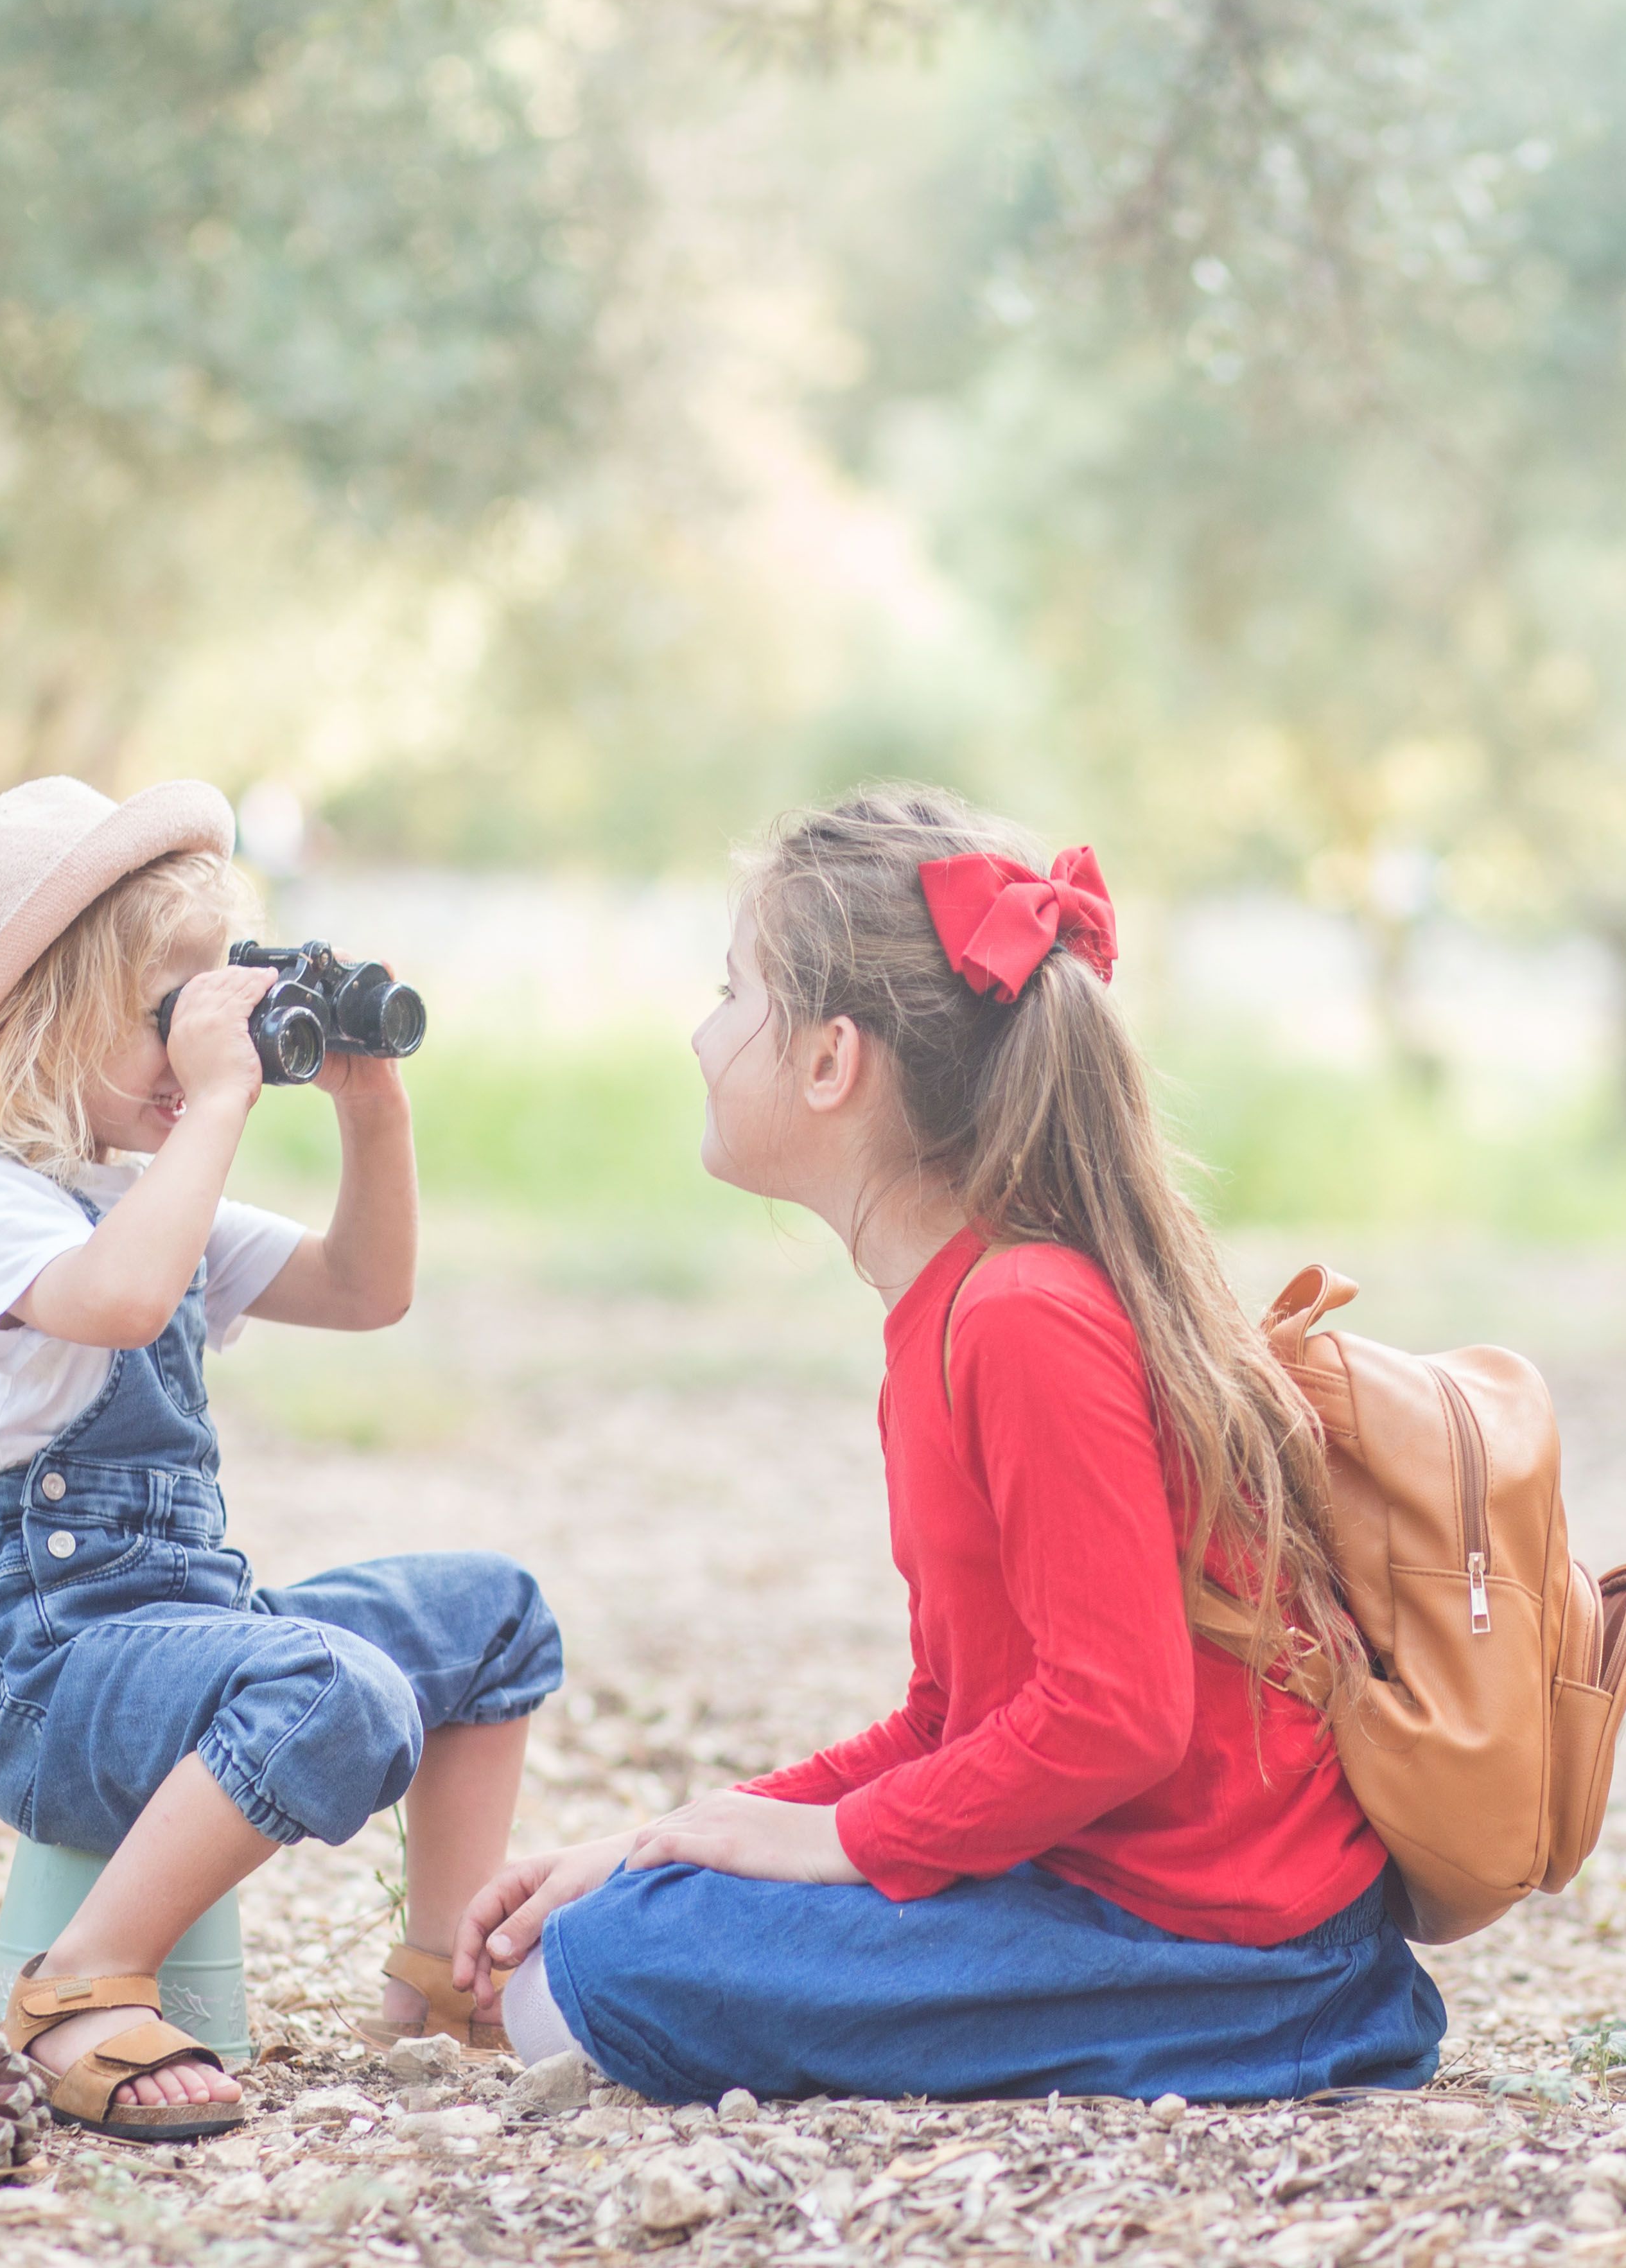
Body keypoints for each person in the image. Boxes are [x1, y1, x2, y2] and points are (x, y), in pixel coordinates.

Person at [451, 786, 1444, 2104]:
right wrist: (671, 1839)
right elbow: (956, 1716)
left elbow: (1115, 1717)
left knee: (604, 1973)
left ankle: (1265, 2038)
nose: (701, 1035)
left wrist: (833, 1844)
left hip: (1238, 1952)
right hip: (1139, 1904)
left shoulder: (1027, 1314)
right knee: (614, 1936)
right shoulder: (954, 1308)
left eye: (730, 991)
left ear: (829, 1062)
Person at [0, 776, 560, 2140]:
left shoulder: (141, 1196)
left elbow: (368, 1289)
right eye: (161, 1015)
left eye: (216, 1004)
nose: (197, 1045)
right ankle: (73, 1986)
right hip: (45, 1687)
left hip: (188, 1645)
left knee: (495, 1618)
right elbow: (122, 1300)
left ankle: (437, 1977)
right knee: (340, 1693)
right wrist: (219, 1103)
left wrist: (373, 1108)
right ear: (28, 1027)